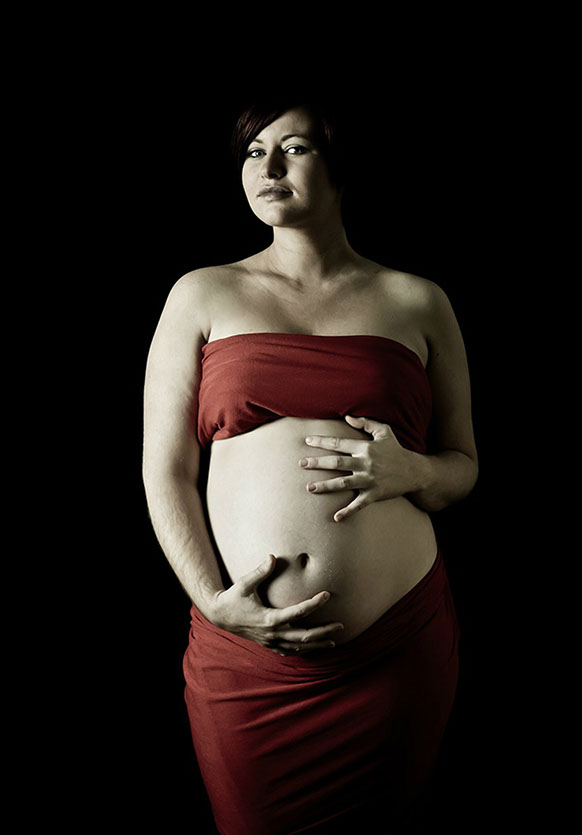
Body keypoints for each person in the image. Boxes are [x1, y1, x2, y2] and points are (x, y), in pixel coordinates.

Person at [142, 96, 479, 834]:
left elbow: (464, 466)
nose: (267, 166)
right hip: (248, 658)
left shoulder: (417, 300)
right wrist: (213, 602)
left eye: (293, 148)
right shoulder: (202, 293)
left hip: (398, 650)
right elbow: (164, 471)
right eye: (252, 151)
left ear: (339, 166)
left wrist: (416, 473)